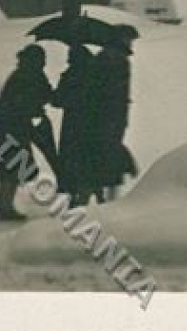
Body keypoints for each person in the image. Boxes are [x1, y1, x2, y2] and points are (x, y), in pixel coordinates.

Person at [0, 44, 54, 220]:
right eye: (41, 59)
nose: (44, 63)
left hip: (6, 128)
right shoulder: (27, 76)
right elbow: (29, 101)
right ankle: (4, 207)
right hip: (12, 129)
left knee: (10, 169)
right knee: (12, 170)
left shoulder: (24, 74)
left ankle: (2, 205)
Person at [53, 43, 105, 207]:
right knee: (88, 160)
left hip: (73, 124)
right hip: (93, 123)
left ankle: (77, 197)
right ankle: (94, 193)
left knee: (73, 161)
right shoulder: (97, 73)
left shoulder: (71, 75)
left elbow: (59, 100)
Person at [92, 27, 140, 202]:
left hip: (103, 116)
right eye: (129, 39)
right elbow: (115, 92)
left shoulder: (101, 58)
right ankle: (109, 198)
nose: (130, 43)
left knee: (101, 156)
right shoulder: (118, 61)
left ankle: (101, 195)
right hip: (111, 116)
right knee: (110, 156)